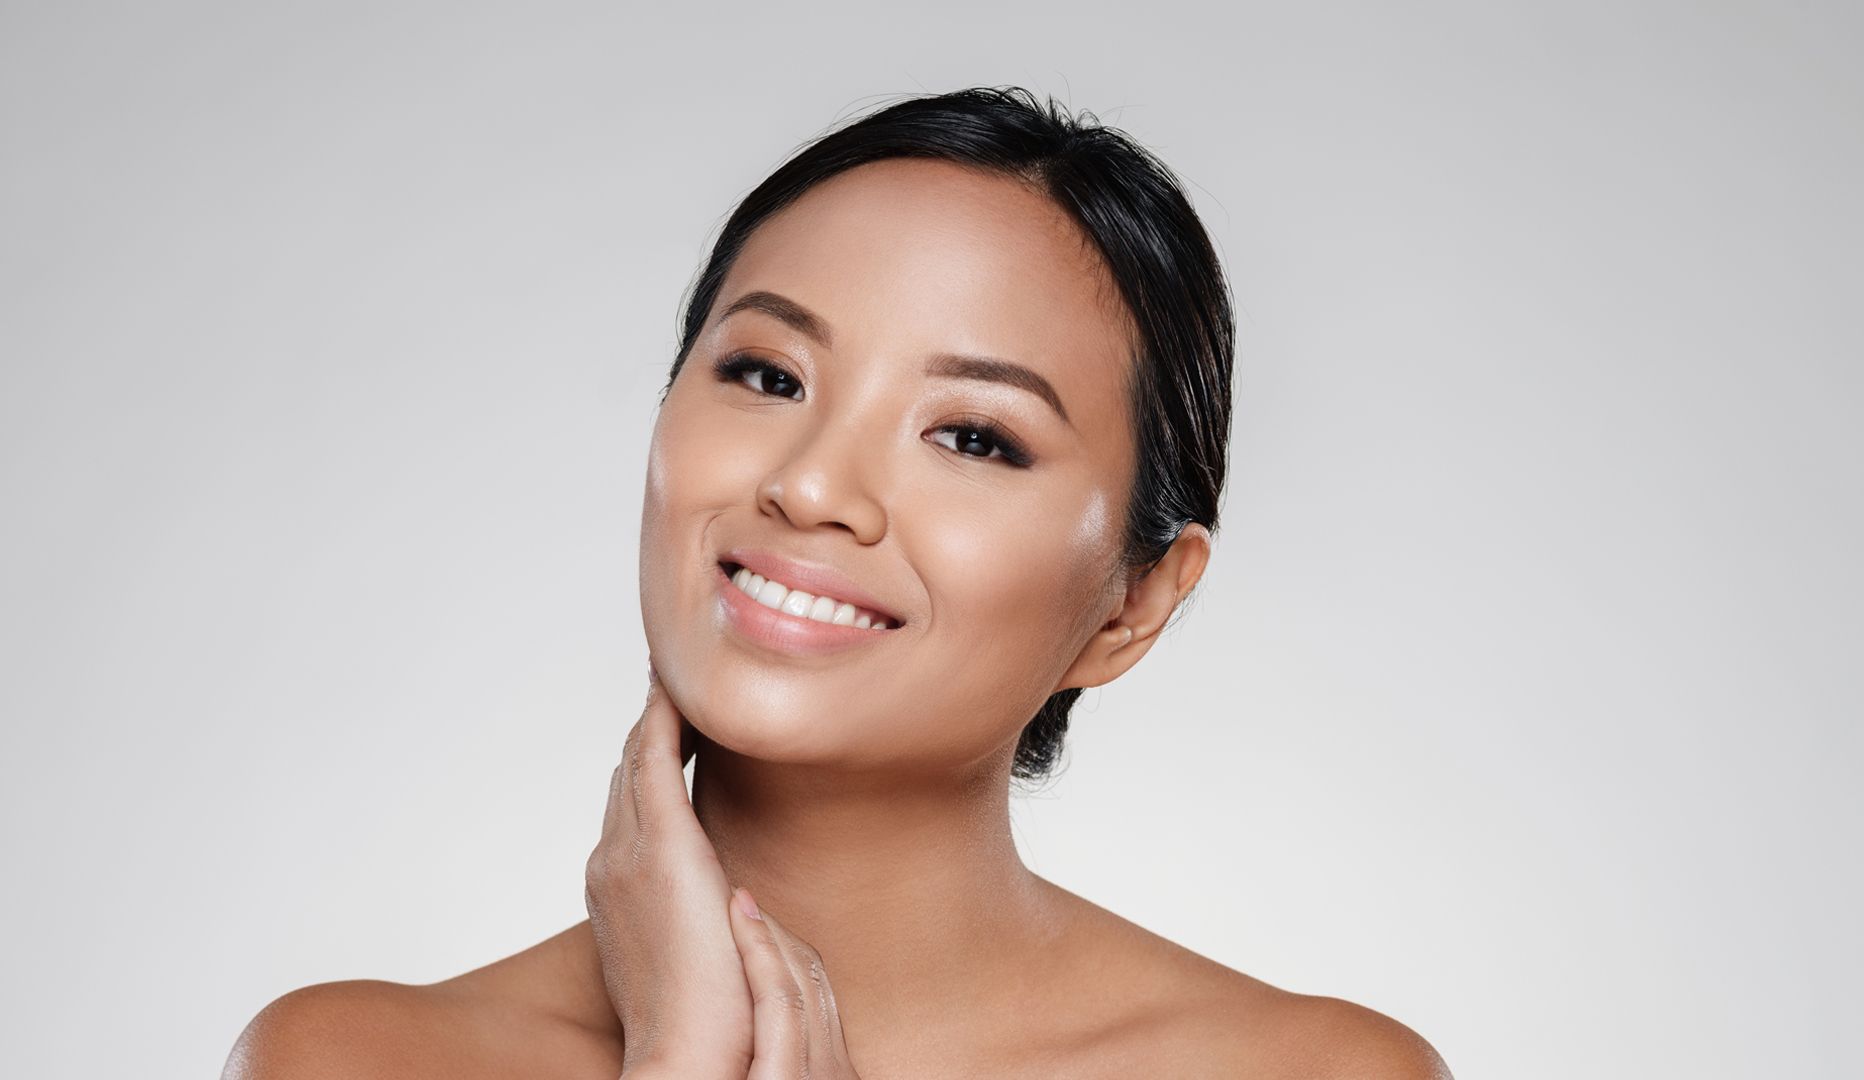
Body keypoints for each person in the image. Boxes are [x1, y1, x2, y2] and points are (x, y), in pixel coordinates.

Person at [223, 86, 1451, 1079]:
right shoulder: (349, 1061)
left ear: (1135, 601)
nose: (812, 487)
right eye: (767, 375)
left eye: (973, 436)